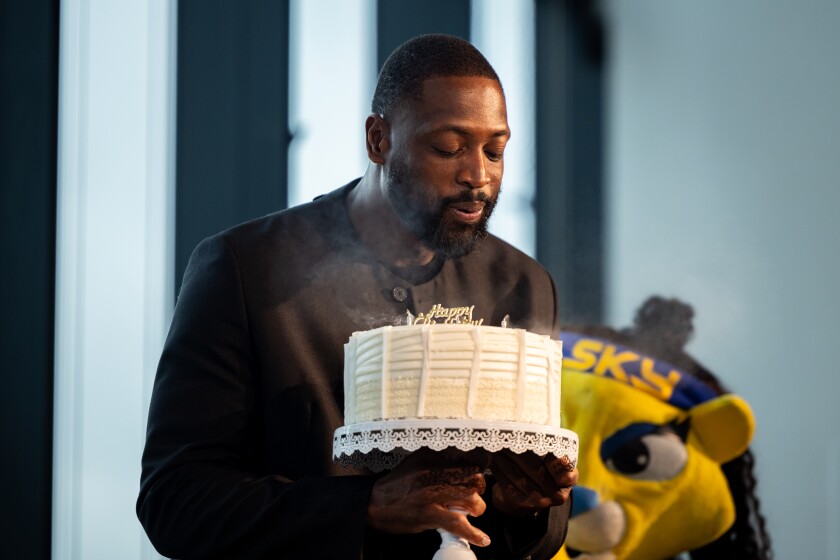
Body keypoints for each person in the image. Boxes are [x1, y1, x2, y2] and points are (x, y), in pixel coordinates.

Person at [137, 34, 577, 559]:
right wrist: (363, 505)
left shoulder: (524, 285)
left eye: (495, 150)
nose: (477, 176)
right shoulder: (244, 270)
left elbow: (535, 527)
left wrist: (522, 506)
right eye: (448, 148)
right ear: (378, 141)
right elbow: (174, 502)